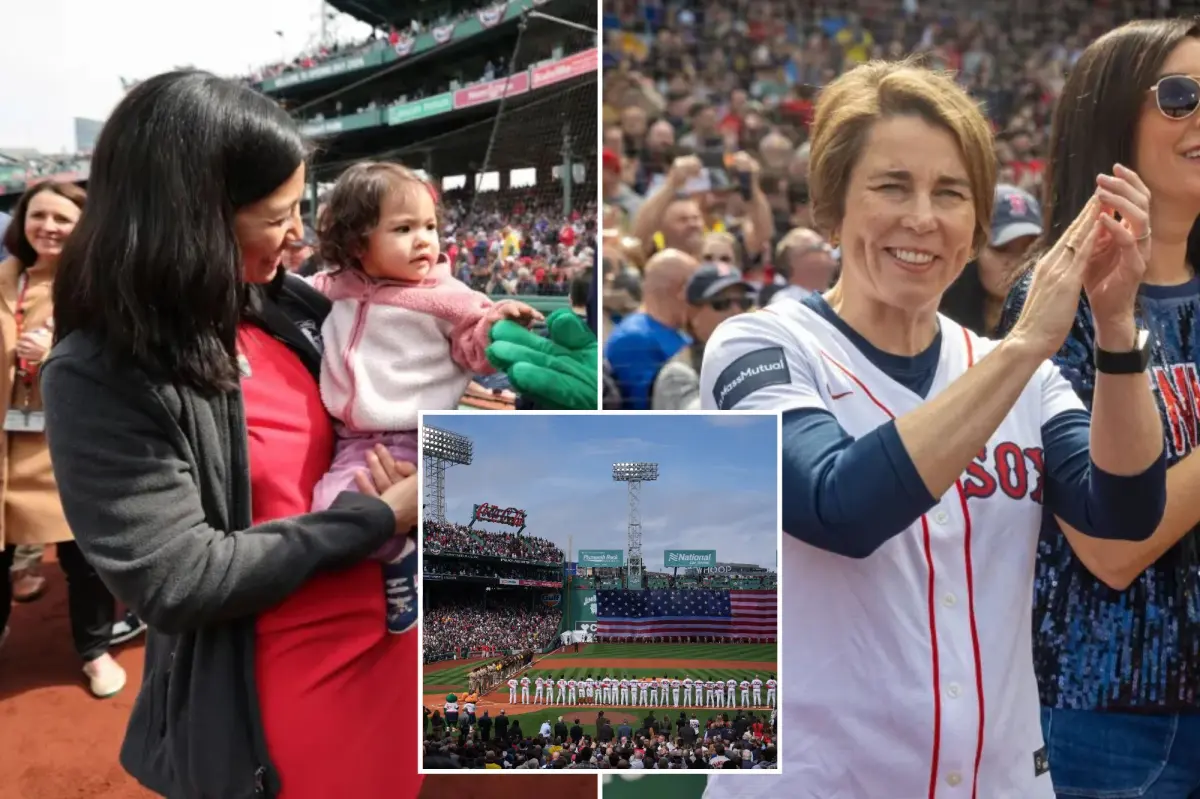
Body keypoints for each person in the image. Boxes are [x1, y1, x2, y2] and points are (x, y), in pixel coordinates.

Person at [699, 61, 1167, 798]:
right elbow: (838, 506)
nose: (922, 217)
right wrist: (1021, 347)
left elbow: (1124, 514)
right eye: (891, 186)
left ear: (977, 225)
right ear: (832, 208)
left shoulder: (1019, 375)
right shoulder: (759, 344)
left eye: (950, 193)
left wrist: (1115, 328)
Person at [42, 71, 421, 799]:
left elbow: (374, 406)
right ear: (195, 217)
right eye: (277, 213)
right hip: (276, 692)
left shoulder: (287, 304)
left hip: (390, 640)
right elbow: (179, 577)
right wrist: (380, 516)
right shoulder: (98, 371)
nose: (299, 234)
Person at [998, 19, 1200, 796]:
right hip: (1109, 712)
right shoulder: (1057, 294)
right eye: (1181, 97)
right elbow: (1110, 545)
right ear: (1112, 115)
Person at [309, 162, 539, 634]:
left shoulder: (442, 294)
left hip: (410, 436)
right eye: (404, 228)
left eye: (430, 227)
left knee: (345, 514)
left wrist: (500, 322)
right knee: (324, 508)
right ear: (357, 243)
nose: (424, 240)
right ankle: (398, 556)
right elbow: (286, 293)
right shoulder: (335, 286)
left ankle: (402, 558)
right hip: (352, 438)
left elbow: (476, 337)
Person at [0, 180, 128, 697]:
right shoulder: (4, 280)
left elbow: (123, 359)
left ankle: (94, 650)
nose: (48, 227)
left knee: (84, 560)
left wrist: (58, 349)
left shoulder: (99, 287)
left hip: (67, 444)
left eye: (62, 219)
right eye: (39, 216)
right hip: (6, 445)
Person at [940, 184, 1043, 336]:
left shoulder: (1059, 328)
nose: (1016, 262)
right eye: (1002, 248)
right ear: (972, 248)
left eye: (1029, 250)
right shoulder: (938, 323)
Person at [652, 260, 754, 410]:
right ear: (693, 313)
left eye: (744, 302)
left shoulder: (755, 361)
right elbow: (703, 424)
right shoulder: (678, 375)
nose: (736, 311)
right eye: (721, 303)